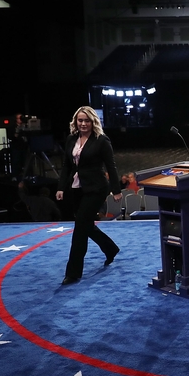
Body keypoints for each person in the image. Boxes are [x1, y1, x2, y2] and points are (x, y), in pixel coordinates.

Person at [56, 106, 122, 285]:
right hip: (76, 188)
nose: (83, 124)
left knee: (79, 229)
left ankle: (73, 272)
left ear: (93, 122)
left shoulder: (101, 140)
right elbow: (66, 166)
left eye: (86, 120)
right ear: (75, 122)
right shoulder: (71, 139)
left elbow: (111, 166)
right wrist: (61, 187)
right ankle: (110, 248)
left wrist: (116, 190)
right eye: (80, 120)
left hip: (96, 188)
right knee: (85, 224)